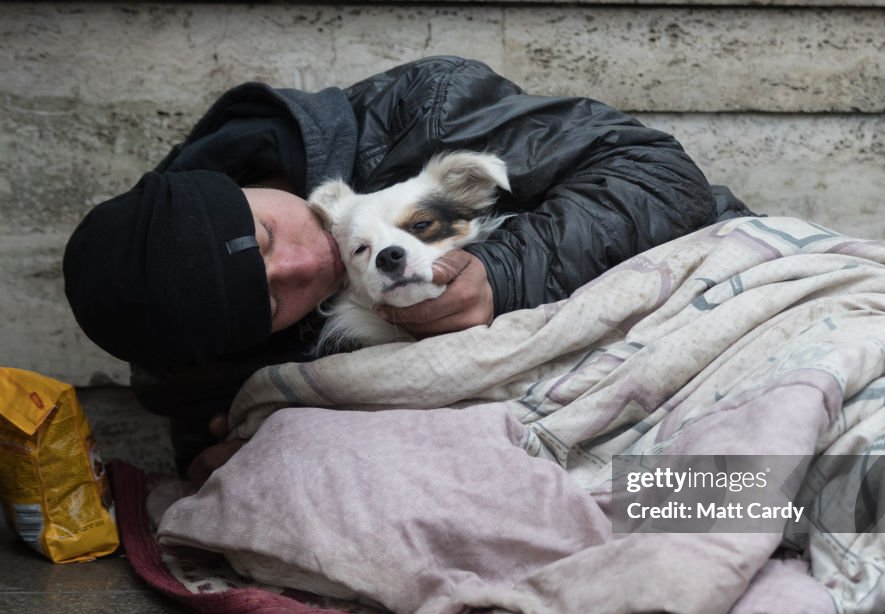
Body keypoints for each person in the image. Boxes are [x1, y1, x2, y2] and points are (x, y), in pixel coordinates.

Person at [62, 56, 754, 483]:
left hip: (713, 293)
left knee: (779, 451)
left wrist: (502, 273)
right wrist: (208, 457)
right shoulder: (196, 341)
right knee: (650, 499)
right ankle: (813, 561)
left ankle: (845, 556)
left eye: (267, 233)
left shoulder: (423, 111)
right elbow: (196, 406)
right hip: (585, 423)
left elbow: (660, 177)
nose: (310, 261)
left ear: (233, 183)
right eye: (274, 299)